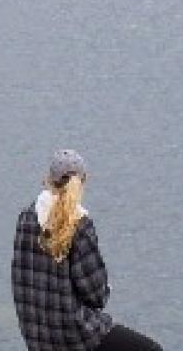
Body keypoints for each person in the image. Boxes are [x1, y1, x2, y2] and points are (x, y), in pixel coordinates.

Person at [11, 149, 164, 351]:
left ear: (48, 179)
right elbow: (96, 295)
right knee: (150, 349)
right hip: (75, 335)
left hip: (37, 337)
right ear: (83, 180)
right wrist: (106, 289)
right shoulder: (78, 224)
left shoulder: (25, 218)